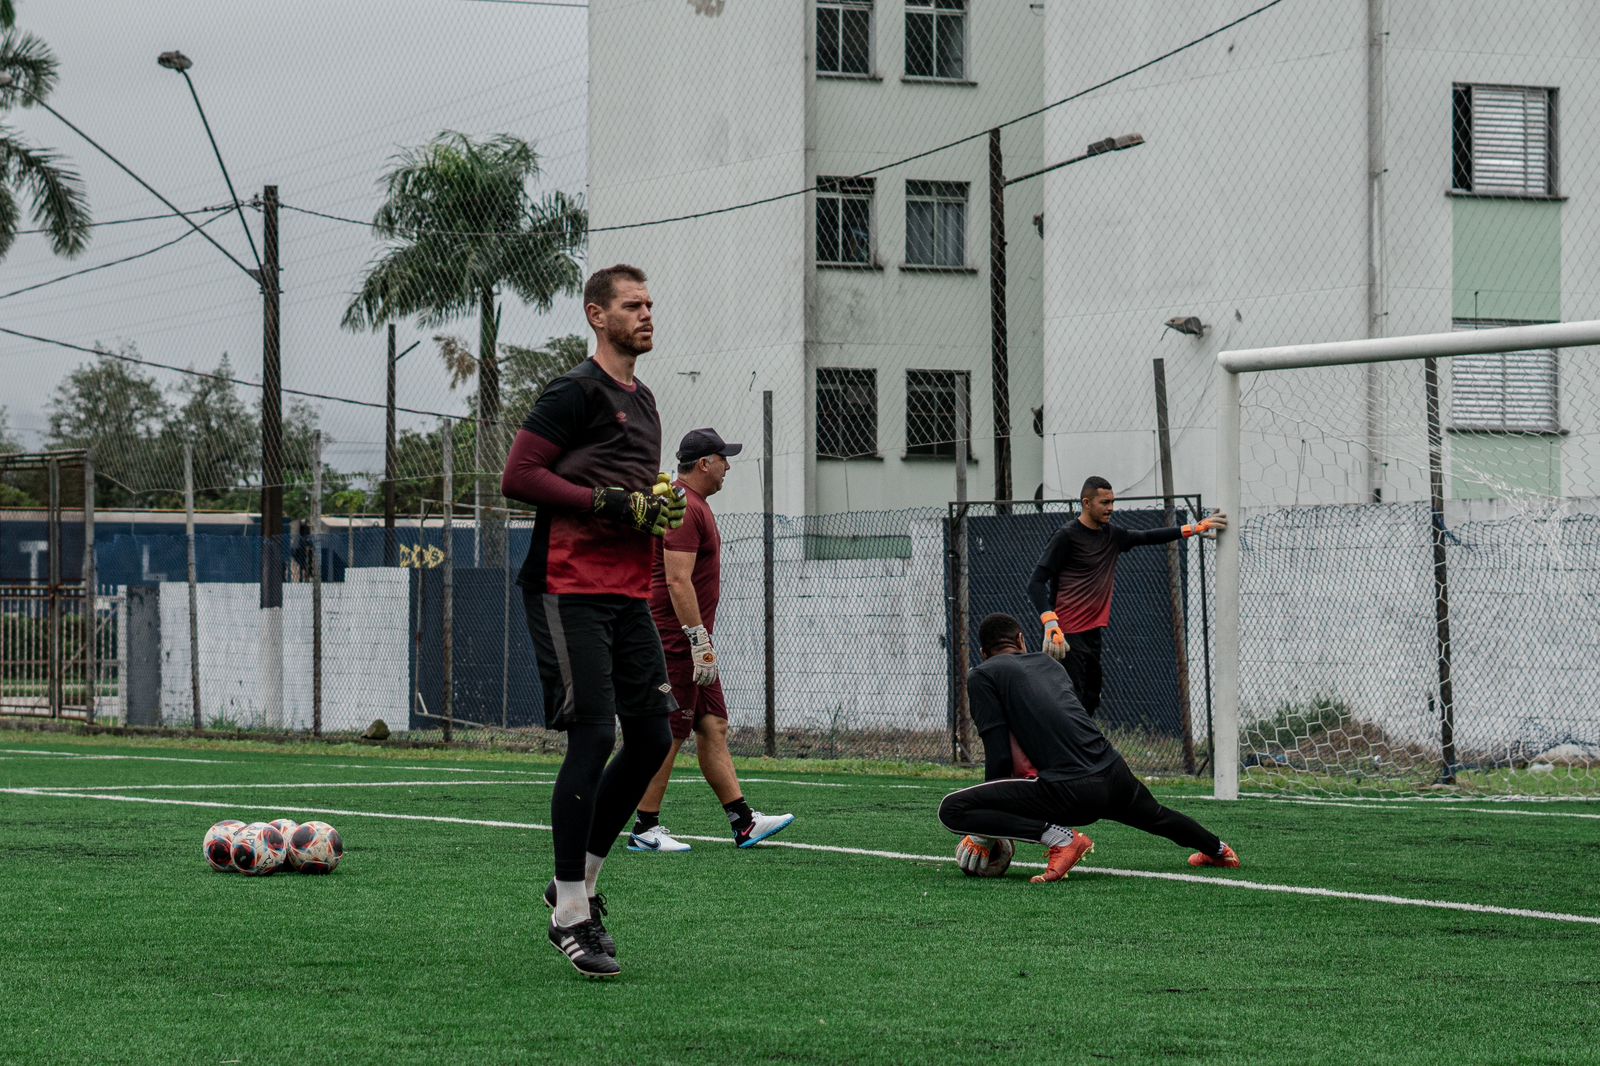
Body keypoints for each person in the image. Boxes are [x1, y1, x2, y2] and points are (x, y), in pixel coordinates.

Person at [500, 263, 685, 979]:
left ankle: (578, 879)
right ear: (595, 315)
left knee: (651, 739)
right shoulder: (573, 391)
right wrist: (607, 502)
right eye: (632, 305)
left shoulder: (646, 402)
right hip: (566, 585)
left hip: (626, 590)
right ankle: (572, 912)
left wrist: (653, 508)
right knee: (594, 734)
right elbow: (519, 478)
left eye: (650, 304)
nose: (646, 315)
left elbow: (636, 496)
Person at [939, 613, 1239, 882]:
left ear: (983, 653)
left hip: (1071, 792)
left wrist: (988, 829)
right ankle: (1218, 849)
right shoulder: (1048, 663)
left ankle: (1061, 839)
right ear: (1021, 640)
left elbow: (999, 753)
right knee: (1157, 815)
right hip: (1113, 771)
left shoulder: (983, 674)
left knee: (952, 809)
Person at [627, 427, 795, 854]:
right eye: (723, 459)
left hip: (690, 639)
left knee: (713, 724)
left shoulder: (693, 502)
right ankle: (645, 828)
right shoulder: (682, 503)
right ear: (704, 463)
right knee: (671, 731)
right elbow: (677, 578)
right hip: (676, 638)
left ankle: (744, 822)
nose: (728, 467)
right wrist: (697, 640)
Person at [1026, 476, 1227, 716]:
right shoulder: (1066, 536)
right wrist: (1050, 623)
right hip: (1066, 635)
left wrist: (1194, 529)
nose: (1111, 508)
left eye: (1112, 502)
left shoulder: (1112, 536)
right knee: (1072, 703)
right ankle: (1068, 751)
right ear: (1086, 503)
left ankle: (1081, 750)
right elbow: (1035, 583)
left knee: (1090, 699)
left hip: (1092, 633)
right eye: (1104, 502)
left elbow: (1146, 536)